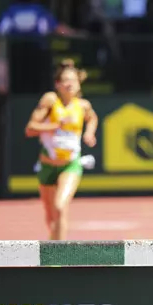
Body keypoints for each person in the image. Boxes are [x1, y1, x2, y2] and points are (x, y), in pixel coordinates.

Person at [25, 59, 98, 240]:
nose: (70, 84)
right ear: (57, 84)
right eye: (65, 80)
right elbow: (30, 128)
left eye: (73, 80)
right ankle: (54, 244)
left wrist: (89, 133)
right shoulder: (51, 101)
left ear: (79, 83)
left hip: (70, 165)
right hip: (47, 165)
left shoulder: (83, 105)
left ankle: (58, 261)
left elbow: (93, 118)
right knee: (51, 216)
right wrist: (54, 126)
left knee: (60, 207)